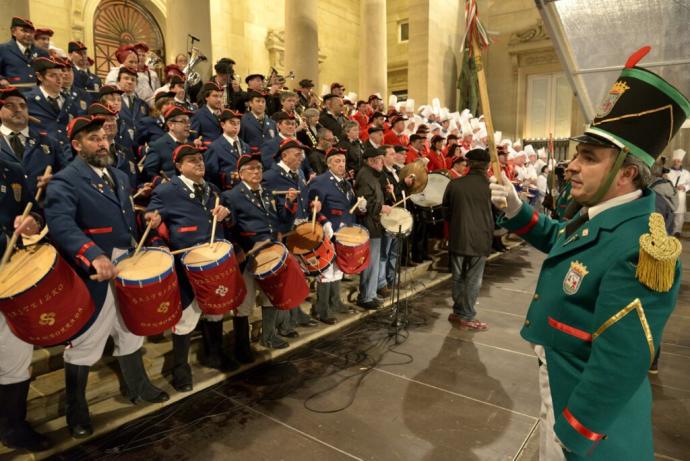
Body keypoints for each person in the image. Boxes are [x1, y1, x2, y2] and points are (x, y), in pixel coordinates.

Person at [489, 49, 687, 460]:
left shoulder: (640, 247)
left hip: (590, 423)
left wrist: (575, 433)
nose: (571, 166)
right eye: (578, 154)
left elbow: (620, 361)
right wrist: (516, 210)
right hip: (560, 388)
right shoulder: (600, 217)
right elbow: (563, 241)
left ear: (628, 173)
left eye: (588, 158)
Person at [45, 116, 169, 438]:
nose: (103, 143)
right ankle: (77, 408)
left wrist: (146, 220)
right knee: (86, 342)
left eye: (104, 137)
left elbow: (123, 218)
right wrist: (92, 253)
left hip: (126, 264)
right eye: (93, 139)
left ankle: (137, 386)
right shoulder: (64, 180)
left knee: (130, 329)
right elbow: (60, 224)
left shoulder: (118, 175)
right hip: (94, 272)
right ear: (76, 145)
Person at [145, 144, 244, 393]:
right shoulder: (167, 191)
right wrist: (158, 242)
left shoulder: (212, 189)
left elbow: (229, 221)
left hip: (213, 262)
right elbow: (151, 223)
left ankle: (215, 354)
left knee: (215, 310)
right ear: (179, 166)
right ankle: (181, 368)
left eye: (200, 159)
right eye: (191, 160)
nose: (199, 163)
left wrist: (226, 215)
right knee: (187, 318)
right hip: (186, 264)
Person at [222, 151, 299, 349]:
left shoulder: (266, 192)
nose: (256, 171)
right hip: (249, 255)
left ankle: (269, 336)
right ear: (240, 173)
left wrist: (290, 204)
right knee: (245, 302)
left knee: (270, 296)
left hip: (272, 253)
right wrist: (238, 249)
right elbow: (228, 229)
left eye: (259, 168)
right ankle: (242, 345)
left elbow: (281, 222)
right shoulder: (231, 196)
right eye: (251, 169)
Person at [0, 157, 51, 452]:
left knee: (16, 354)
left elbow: (37, 211)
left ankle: (13, 425)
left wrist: (33, 222)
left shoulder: (11, 168)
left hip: (11, 276)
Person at [307, 147, 360, 323]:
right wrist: (324, 223)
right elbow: (312, 206)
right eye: (337, 161)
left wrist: (361, 206)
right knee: (327, 271)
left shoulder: (346, 182)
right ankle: (322, 310)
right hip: (328, 233)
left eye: (343, 161)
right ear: (328, 163)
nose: (341, 164)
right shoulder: (320, 181)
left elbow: (349, 206)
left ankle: (335, 302)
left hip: (344, 233)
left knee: (338, 269)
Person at [442, 148, 492, 331]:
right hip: (481, 239)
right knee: (473, 279)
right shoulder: (492, 186)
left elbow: (445, 211)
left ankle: (458, 311)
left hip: (458, 237)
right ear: (487, 166)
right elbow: (500, 212)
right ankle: (467, 316)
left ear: (468, 164)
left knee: (458, 277)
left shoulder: (455, 184)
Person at [0, 86, 65, 196]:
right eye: (9, 106)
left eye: (23, 106)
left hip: (41, 208)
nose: (18, 109)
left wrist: (55, 180)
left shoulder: (49, 142)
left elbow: (67, 173)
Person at [355, 147, 392, 309]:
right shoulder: (364, 176)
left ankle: (370, 294)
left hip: (375, 224)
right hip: (369, 224)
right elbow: (363, 201)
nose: (381, 162)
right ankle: (366, 297)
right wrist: (380, 208)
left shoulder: (374, 175)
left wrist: (387, 192)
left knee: (374, 261)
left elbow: (375, 197)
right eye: (379, 160)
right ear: (370, 161)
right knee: (370, 262)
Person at [144, 105, 193, 180]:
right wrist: (162, 181)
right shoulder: (158, 146)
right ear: (170, 125)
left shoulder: (191, 145)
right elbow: (148, 173)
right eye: (183, 121)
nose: (188, 125)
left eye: (189, 121)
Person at [205, 108, 249, 190]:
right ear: (222, 125)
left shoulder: (246, 146)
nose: (236, 126)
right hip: (225, 191)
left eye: (238, 123)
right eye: (232, 123)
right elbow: (211, 175)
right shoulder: (214, 147)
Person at [0, 17, 49, 87]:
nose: (28, 34)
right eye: (24, 31)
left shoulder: (42, 53)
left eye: (31, 32)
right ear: (13, 32)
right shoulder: (3, 49)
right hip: (13, 95)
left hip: (37, 95)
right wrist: (1, 79)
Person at [667, 148, 689, 236]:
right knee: (669, 213)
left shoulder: (686, 173)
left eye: (679, 161)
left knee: (679, 214)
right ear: (673, 161)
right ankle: (668, 230)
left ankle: (677, 231)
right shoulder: (667, 171)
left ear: (681, 162)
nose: (677, 163)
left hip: (680, 195)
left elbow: (689, 184)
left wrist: (684, 187)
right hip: (669, 194)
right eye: (675, 161)